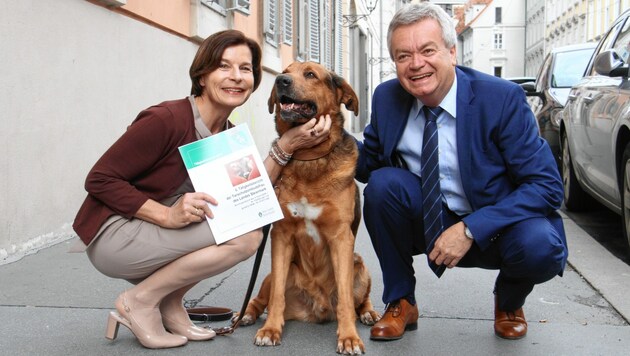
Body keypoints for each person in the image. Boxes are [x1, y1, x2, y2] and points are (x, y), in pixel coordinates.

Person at [72, 30, 331, 349]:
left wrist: (288, 144)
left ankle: (169, 304)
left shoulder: (227, 134)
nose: (236, 77)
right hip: (114, 235)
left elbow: (248, 195)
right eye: (224, 66)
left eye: (245, 69)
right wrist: (166, 214)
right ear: (202, 75)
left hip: (149, 232)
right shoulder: (167, 119)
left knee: (245, 219)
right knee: (246, 236)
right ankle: (139, 301)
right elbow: (99, 179)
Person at [355, 3, 567, 341]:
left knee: (541, 247)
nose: (416, 64)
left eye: (427, 50)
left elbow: (546, 187)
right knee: (382, 186)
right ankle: (401, 300)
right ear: (394, 62)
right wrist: (326, 137)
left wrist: (471, 228)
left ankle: (509, 301)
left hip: (498, 225)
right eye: (403, 56)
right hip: (430, 221)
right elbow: (369, 164)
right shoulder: (387, 98)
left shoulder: (501, 99)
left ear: (452, 52)